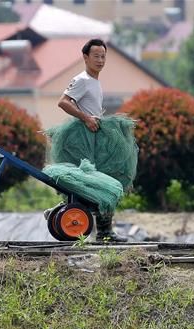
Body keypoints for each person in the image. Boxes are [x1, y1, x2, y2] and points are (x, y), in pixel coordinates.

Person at [56, 39, 124, 240]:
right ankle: (104, 232)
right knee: (100, 181)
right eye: (96, 56)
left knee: (100, 181)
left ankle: (103, 230)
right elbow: (63, 102)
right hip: (84, 139)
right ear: (85, 57)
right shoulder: (82, 80)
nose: (100, 60)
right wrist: (86, 118)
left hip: (94, 138)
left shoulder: (94, 81)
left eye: (103, 56)